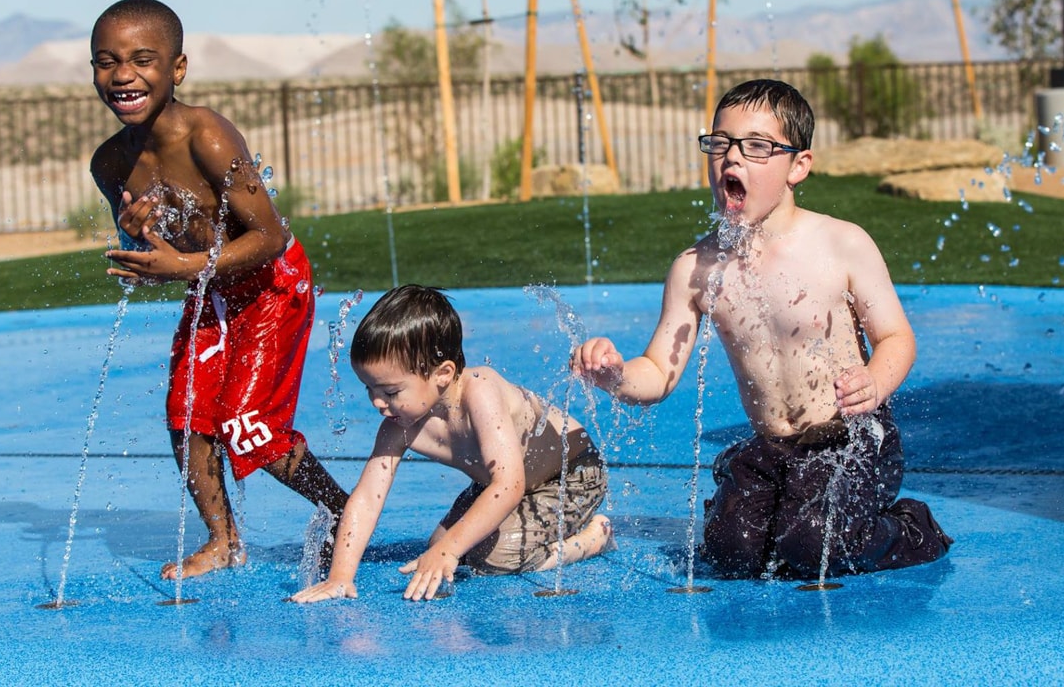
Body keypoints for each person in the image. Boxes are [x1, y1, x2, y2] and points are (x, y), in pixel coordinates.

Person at [570, 78, 951, 581]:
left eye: (756, 147)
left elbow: (896, 338)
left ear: (798, 166)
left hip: (851, 440)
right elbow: (659, 371)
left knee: (815, 546)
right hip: (773, 446)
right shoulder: (697, 268)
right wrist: (616, 375)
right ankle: (766, 500)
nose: (733, 159)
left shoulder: (842, 245)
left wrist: (876, 382)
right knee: (731, 553)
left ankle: (909, 527)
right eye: (721, 143)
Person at [88, 0, 347, 581]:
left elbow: (272, 237)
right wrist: (139, 236)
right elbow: (162, 252)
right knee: (186, 416)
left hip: (272, 284)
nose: (123, 75)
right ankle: (223, 539)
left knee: (247, 423)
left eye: (142, 59)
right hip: (213, 288)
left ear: (177, 69)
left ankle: (344, 509)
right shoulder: (110, 164)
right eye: (106, 62)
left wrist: (183, 268)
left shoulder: (204, 134)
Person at [292, 284, 613, 603]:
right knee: (439, 547)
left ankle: (592, 538)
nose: (377, 403)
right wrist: (340, 577)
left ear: (443, 373)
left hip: (570, 474)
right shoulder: (397, 426)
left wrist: (450, 549)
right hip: (500, 483)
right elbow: (365, 499)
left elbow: (509, 484)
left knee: (491, 557)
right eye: (369, 390)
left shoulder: (480, 392)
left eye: (390, 392)